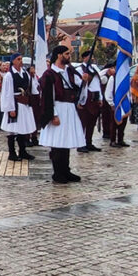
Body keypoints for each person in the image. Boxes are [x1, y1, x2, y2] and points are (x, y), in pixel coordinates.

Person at [39, 46, 86, 183]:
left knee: (66, 141)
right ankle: (57, 172)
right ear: (59, 55)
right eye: (66, 54)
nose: (69, 56)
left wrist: (84, 80)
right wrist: (53, 114)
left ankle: (66, 170)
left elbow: (78, 86)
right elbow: (47, 96)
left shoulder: (70, 70)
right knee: (57, 143)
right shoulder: (49, 74)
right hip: (58, 108)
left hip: (69, 109)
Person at [0, 53, 37, 162]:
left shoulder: (25, 73)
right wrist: (10, 108)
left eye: (21, 59)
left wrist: (32, 76)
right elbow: (7, 93)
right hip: (15, 104)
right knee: (13, 130)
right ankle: (12, 153)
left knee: (23, 129)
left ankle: (22, 151)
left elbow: (33, 88)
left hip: (24, 103)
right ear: (13, 61)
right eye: (18, 59)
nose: (21, 61)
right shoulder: (9, 75)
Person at [75, 52, 103, 153]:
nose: (91, 58)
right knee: (83, 123)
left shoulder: (95, 69)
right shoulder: (79, 70)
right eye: (88, 57)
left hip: (94, 98)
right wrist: (84, 80)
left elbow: (98, 85)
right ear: (84, 58)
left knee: (91, 123)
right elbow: (78, 85)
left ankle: (88, 142)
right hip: (85, 99)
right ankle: (80, 144)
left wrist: (100, 98)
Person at [103, 62, 130, 147]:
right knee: (114, 123)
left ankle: (121, 139)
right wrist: (111, 104)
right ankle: (113, 140)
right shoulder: (112, 78)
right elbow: (108, 92)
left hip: (125, 103)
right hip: (116, 104)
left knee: (123, 123)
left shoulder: (126, 78)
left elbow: (128, 92)